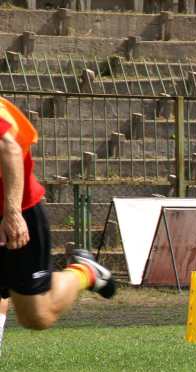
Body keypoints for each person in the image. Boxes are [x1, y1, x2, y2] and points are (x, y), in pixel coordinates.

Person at [0, 96, 115, 333]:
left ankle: (85, 272)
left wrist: (12, 212)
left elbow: (8, 147)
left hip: (17, 212)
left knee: (37, 316)